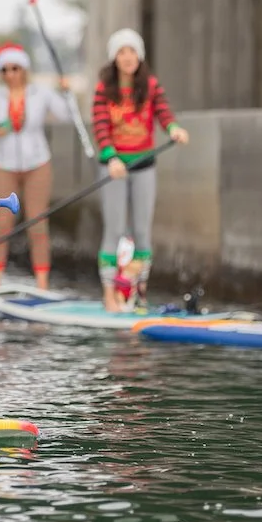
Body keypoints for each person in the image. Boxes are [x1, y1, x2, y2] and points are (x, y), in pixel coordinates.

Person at [91, 28, 190, 312]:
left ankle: (138, 292)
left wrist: (173, 129)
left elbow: (163, 113)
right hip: (115, 167)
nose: (127, 57)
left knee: (142, 232)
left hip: (144, 164)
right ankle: (110, 295)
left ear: (139, 55)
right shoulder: (103, 88)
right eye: (121, 52)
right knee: (115, 229)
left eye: (131, 51)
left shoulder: (150, 85)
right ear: (114, 58)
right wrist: (111, 157)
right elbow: (100, 125)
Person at [0, 42, 72, 289]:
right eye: (5, 70)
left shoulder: (40, 92)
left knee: (38, 223)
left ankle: (42, 283)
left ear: (24, 69)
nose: (10, 74)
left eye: (15, 68)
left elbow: (66, 115)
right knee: (1, 223)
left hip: (37, 162)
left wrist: (66, 93)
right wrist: (1, 128)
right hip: (3, 164)